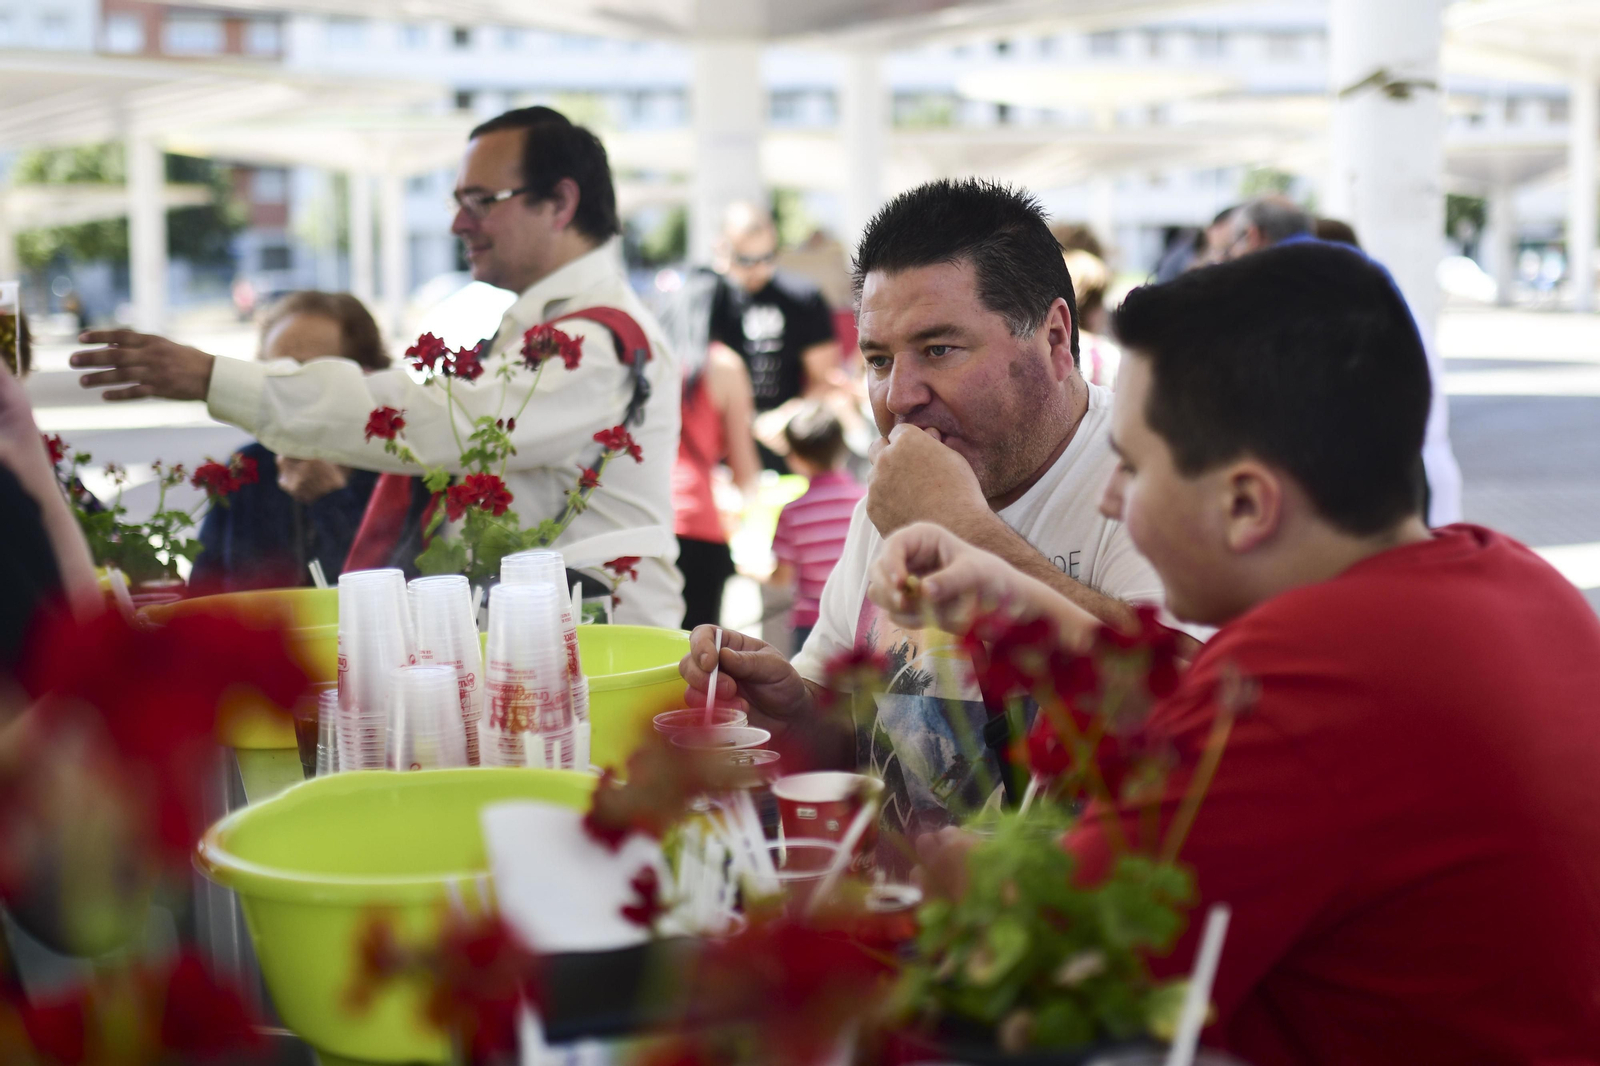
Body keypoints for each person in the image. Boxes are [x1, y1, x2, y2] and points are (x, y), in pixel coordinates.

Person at [873, 242, 1600, 1064]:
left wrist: (952, 869)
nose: (1110, 497)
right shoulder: (1514, 579)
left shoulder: (1300, 692)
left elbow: (1048, 968)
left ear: (1248, 502)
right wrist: (1008, 598)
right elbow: (1183, 708)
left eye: (1133, 467)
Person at [681, 179, 1181, 839]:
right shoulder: (897, 487)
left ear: (1057, 339)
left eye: (939, 349)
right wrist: (791, 707)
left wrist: (962, 533)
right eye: (879, 359)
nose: (899, 394)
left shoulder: (1151, 480)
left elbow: (1194, 722)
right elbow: (846, 736)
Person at [69, 106, 684, 628]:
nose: (457, 223)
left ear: (560, 202)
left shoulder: (597, 343)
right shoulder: (552, 328)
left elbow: (429, 421)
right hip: (553, 643)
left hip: (596, 658)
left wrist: (213, 378)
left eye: (480, 200)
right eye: (457, 201)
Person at [1221, 195, 1463, 528]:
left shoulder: (1286, 284)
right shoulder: (1357, 273)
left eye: (1228, 248)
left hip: (1360, 488)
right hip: (1405, 470)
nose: (1226, 261)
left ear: (1253, 236)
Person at [190, 292, 388, 592]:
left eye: (307, 372)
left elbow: (391, 590)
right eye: (273, 373)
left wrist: (331, 502)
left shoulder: (396, 472)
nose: (287, 390)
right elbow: (202, 592)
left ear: (365, 375)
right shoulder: (248, 468)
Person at [709, 202, 840, 470]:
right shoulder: (709, 301)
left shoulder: (803, 297)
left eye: (767, 257)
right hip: (722, 449)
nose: (758, 268)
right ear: (723, 251)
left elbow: (826, 379)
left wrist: (788, 415)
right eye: (746, 260)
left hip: (785, 446)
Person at [672, 338, 761, 631]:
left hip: (642, 521)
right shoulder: (722, 362)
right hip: (697, 521)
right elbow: (745, 470)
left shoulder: (649, 356)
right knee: (696, 652)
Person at [770, 402, 865, 654]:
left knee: (810, 689)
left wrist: (757, 573)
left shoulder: (792, 513)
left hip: (812, 626)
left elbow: (781, 578)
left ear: (794, 457)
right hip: (859, 620)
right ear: (843, 446)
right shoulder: (866, 502)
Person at [1061, 249, 1120, 388]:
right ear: (1090, 304)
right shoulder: (1104, 354)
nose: (1104, 310)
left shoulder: (1053, 347)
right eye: (1101, 300)